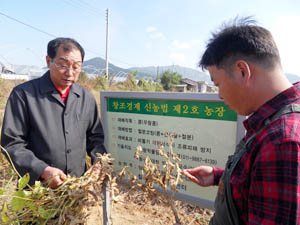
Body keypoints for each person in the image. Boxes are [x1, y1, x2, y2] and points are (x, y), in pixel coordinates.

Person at [182, 17, 300, 224]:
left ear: (242, 71)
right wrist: (218, 177)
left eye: (218, 83)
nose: (219, 95)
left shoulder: (283, 141)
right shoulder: (274, 120)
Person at [1, 37, 106, 189]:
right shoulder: (24, 95)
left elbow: (96, 137)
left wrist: (98, 164)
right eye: (63, 65)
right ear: (48, 61)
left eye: (76, 67)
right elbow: (11, 143)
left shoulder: (86, 97)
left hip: (76, 190)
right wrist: (42, 170)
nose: (70, 73)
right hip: (37, 192)